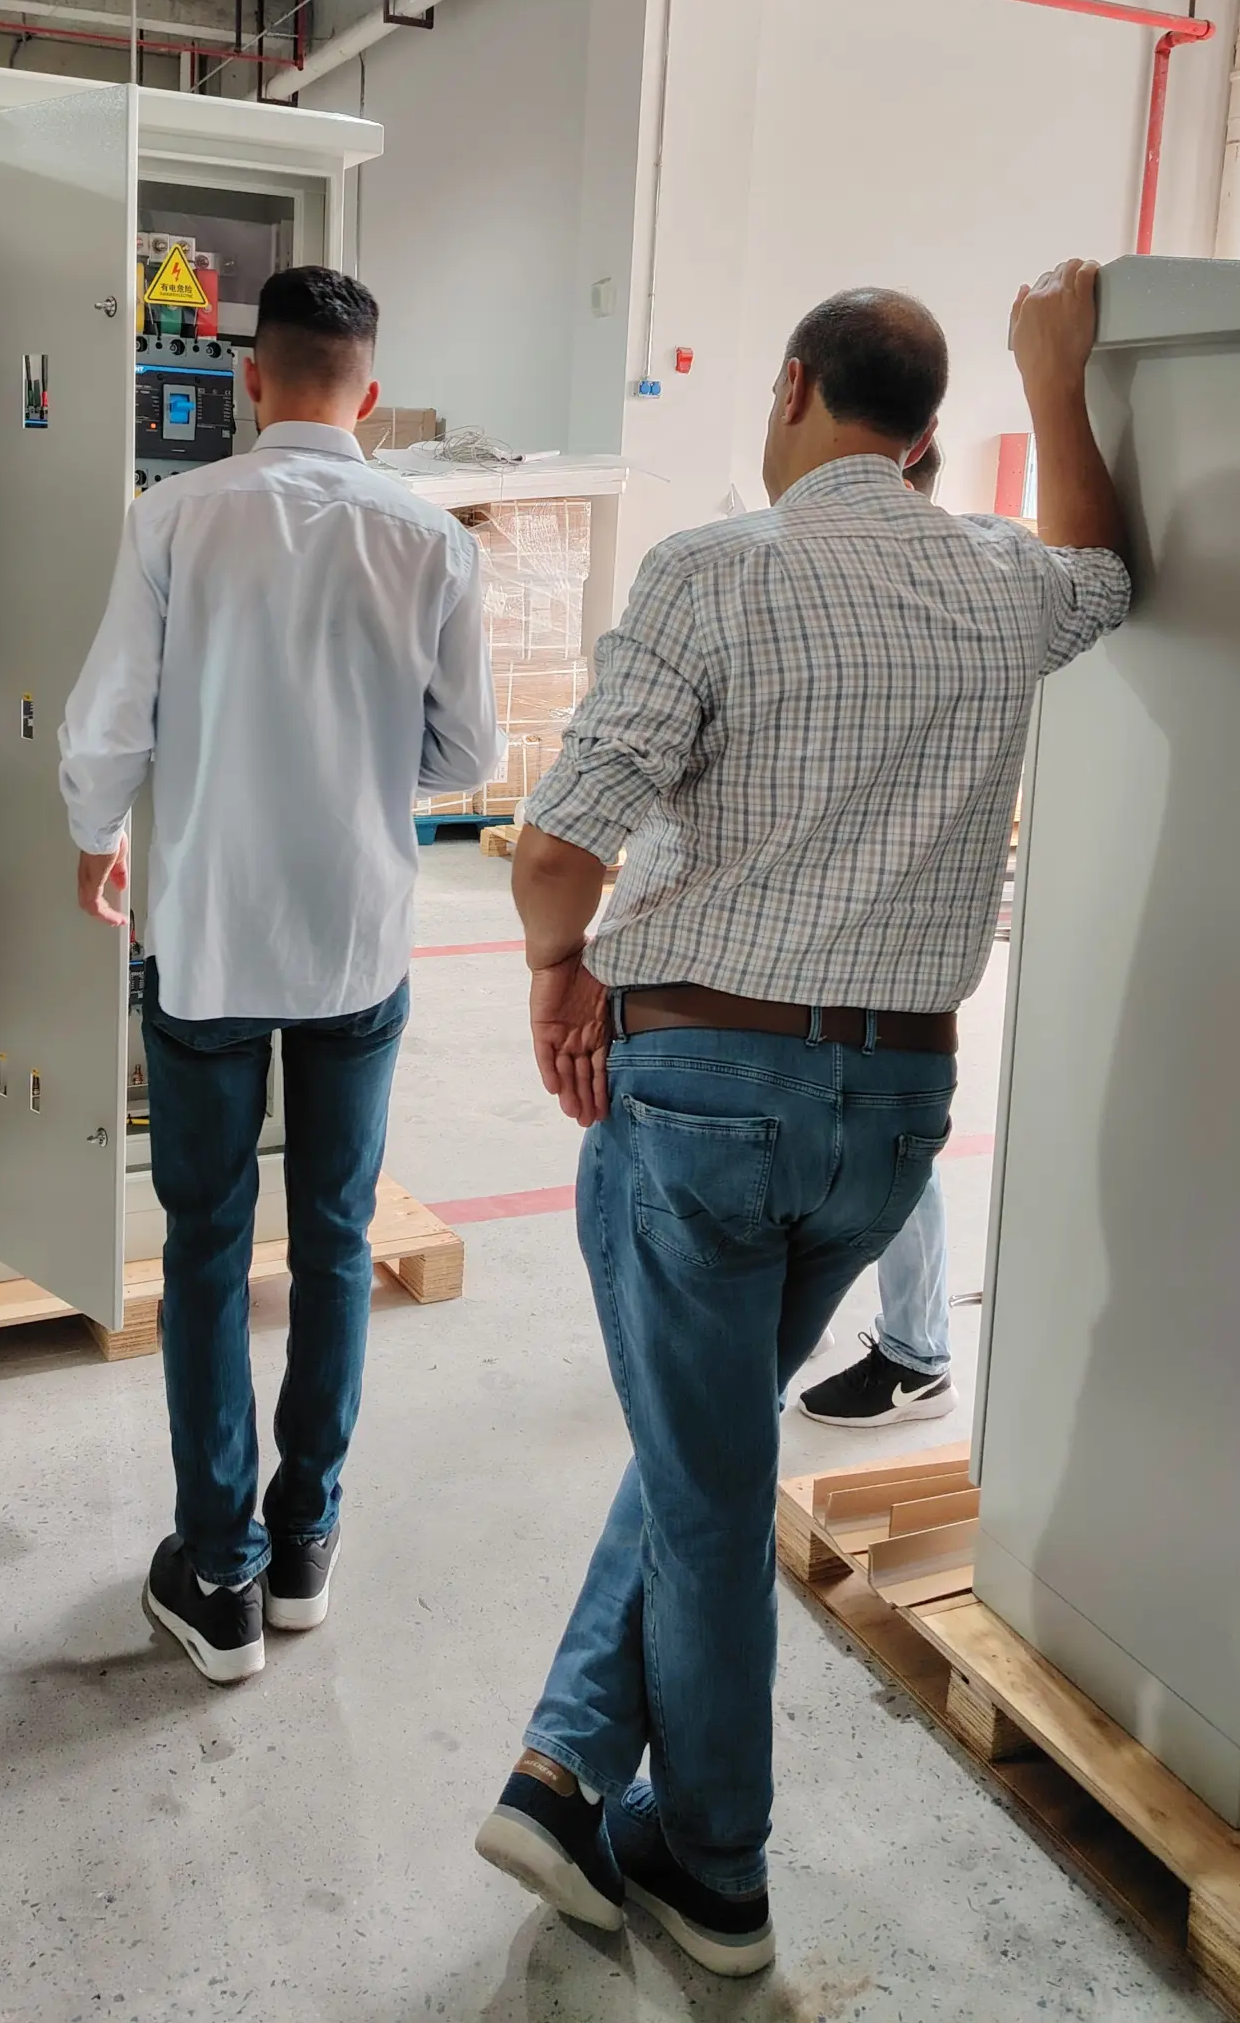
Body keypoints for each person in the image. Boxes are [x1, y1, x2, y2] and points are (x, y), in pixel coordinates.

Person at [475, 261, 1130, 1976]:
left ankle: (717, 1871)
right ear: (923, 437)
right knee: (708, 1452)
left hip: (699, 1099)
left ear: (787, 392)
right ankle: (561, 1772)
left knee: (706, 1490)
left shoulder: (716, 569)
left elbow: (556, 848)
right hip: (892, 1122)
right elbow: (1107, 568)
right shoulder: (1002, 582)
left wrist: (558, 972)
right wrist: (1053, 376)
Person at [59, 265, 501, 1687]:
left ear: (250, 380)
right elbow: (465, 758)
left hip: (204, 938)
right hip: (356, 941)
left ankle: (220, 1571)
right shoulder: (434, 539)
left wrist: (92, 841)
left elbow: (110, 718)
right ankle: (304, 1542)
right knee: (331, 1239)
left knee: (200, 1247)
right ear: (368, 393)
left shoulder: (176, 517)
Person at [797, 428, 958, 1428]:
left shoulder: (936, 588)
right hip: (839, 919)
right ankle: (810, 1304)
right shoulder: (932, 578)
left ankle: (917, 1351)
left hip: (888, 928)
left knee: (892, 1142)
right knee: (830, 1124)